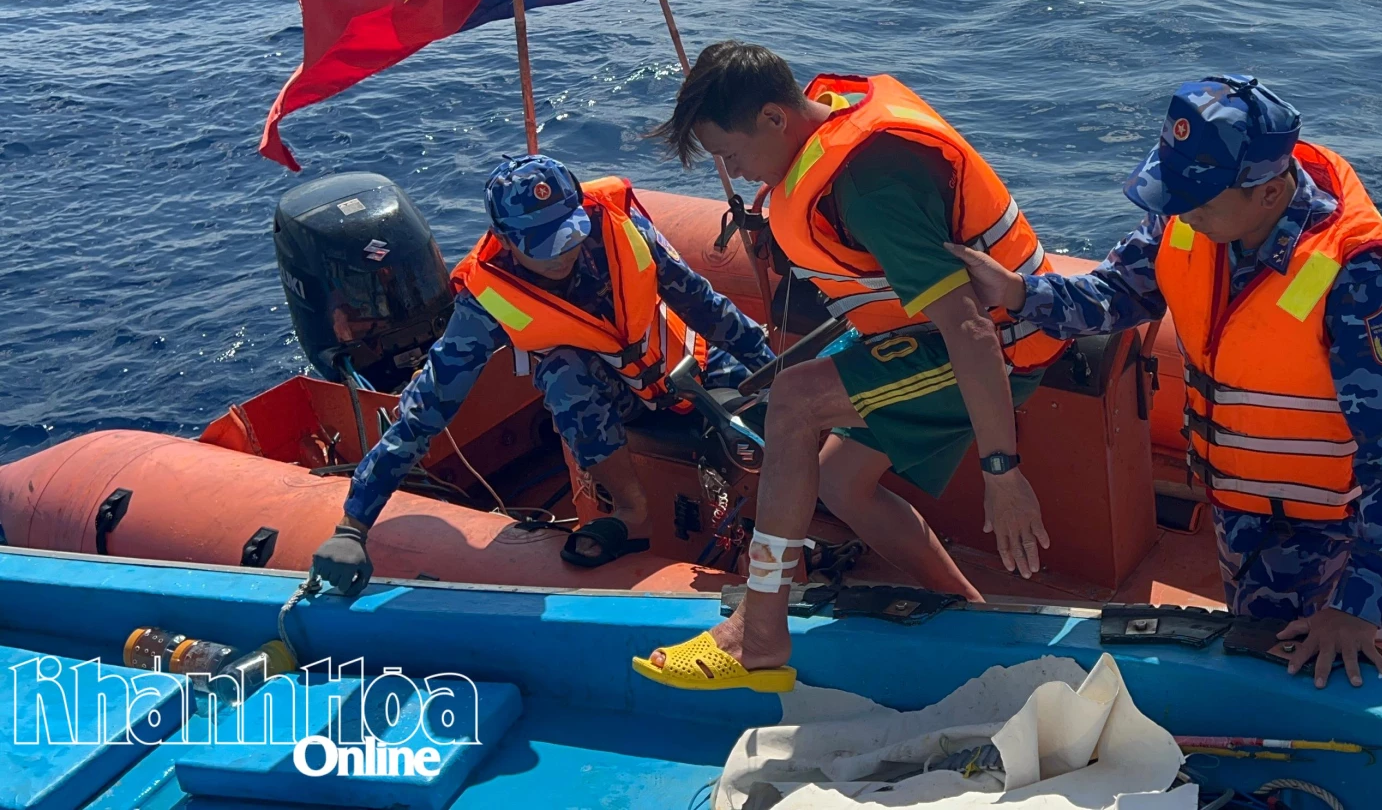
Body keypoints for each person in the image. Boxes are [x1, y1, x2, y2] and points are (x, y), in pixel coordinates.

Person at [948, 76, 1382, 689]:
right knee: (1249, 636)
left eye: (1200, 202)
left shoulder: (1360, 277)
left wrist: (1357, 609)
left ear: (1268, 192)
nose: (1182, 212)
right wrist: (1021, 293)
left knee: (1275, 673)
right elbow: (1118, 291)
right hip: (1234, 502)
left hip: (1317, 527)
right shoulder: (1186, 215)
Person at [634, 41, 1070, 692]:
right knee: (841, 481)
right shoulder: (828, 124)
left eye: (731, 154)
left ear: (776, 118)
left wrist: (1001, 472)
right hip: (922, 332)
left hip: (997, 349)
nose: (735, 172)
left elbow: (970, 329)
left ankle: (759, 633)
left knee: (795, 399)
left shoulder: (869, 185)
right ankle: (970, 614)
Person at [308, 154, 776, 595]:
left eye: (569, 235)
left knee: (781, 408)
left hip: (691, 361)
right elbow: (427, 407)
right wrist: (354, 525)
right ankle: (631, 513)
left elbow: (703, 304)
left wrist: (773, 368)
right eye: (544, 245)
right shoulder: (486, 300)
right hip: (617, 398)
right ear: (507, 240)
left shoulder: (621, 228)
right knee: (562, 370)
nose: (562, 254)